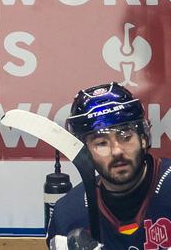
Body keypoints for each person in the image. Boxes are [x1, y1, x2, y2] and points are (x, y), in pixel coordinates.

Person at [47, 82, 171, 250]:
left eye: (125, 137)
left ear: (143, 138)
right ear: (84, 152)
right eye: (101, 143)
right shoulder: (69, 215)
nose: (117, 151)